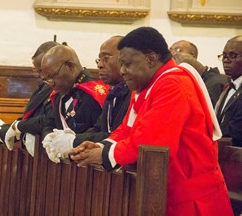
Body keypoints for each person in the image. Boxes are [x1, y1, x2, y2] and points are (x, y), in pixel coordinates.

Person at [70, 27, 233, 216]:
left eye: (128, 64)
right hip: (168, 193)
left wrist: (104, 155)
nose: (122, 71)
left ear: (151, 59)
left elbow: (152, 143)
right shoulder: (145, 84)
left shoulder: (173, 84)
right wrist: (101, 146)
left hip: (193, 201)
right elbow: (127, 129)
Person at [43, 36, 131, 158]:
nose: (100, 65)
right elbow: (98, 129)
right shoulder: (113, 93)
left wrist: (74, 141)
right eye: (98, 60)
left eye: (105, 59)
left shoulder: (131, 93)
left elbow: (120, 135)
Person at [0, 41, 59, 156]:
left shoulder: (59, 87)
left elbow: (45, 121)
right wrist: (3, 127)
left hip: (46, 152)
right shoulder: (45, 85)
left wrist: (3, 131)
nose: (39, 75)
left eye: (40, 70)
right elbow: (28, 118)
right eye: (36, 70)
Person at [40, 44, 110, 163]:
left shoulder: (94, 95)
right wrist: (48, 138)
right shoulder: (59, 95)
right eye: (47, 79)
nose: (51, 83)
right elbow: (49, 122)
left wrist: (73, 141)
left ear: (70, 66)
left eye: (52, 77)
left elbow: (101, 132)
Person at [170, 40, 228, 107]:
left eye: (178, 50)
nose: (172, 53)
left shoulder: (215, 82)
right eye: (170, 50)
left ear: (192, 57)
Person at [215, 35, 242, 147]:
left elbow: (236, 130)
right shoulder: (228, 86)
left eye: (233, 55)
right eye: (224, 56)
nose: (226, 60)